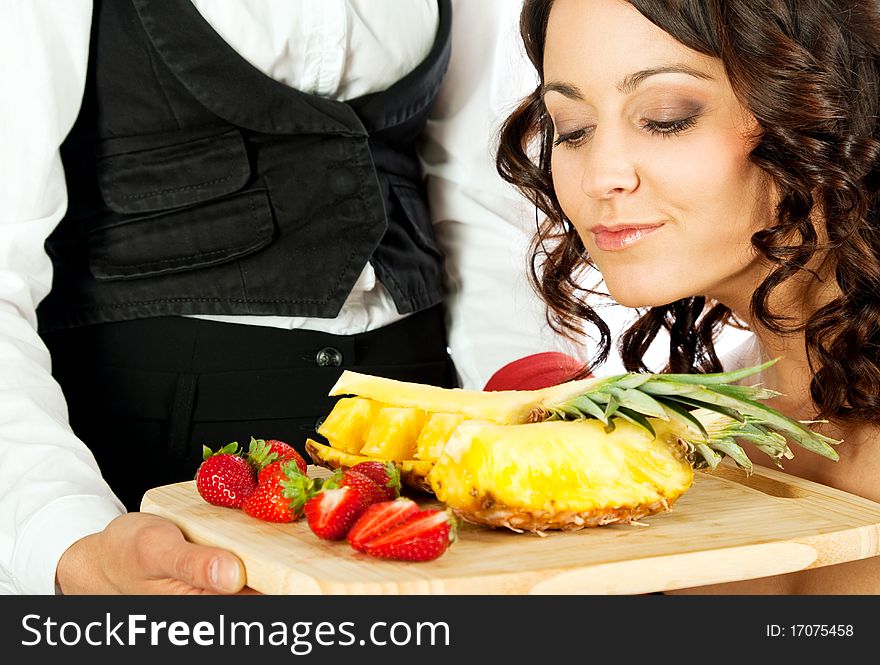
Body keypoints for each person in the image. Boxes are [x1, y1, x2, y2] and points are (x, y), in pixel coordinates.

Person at [0, 0, 582, 595]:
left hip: (421, 411)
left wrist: (535, 401)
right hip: (160, 433)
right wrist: (66, 535)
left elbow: (480, 190)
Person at [496, 0, 880, 594]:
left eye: (666, 117)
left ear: (828, 109)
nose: (600, 177)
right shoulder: (690, 433)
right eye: (572, 128)